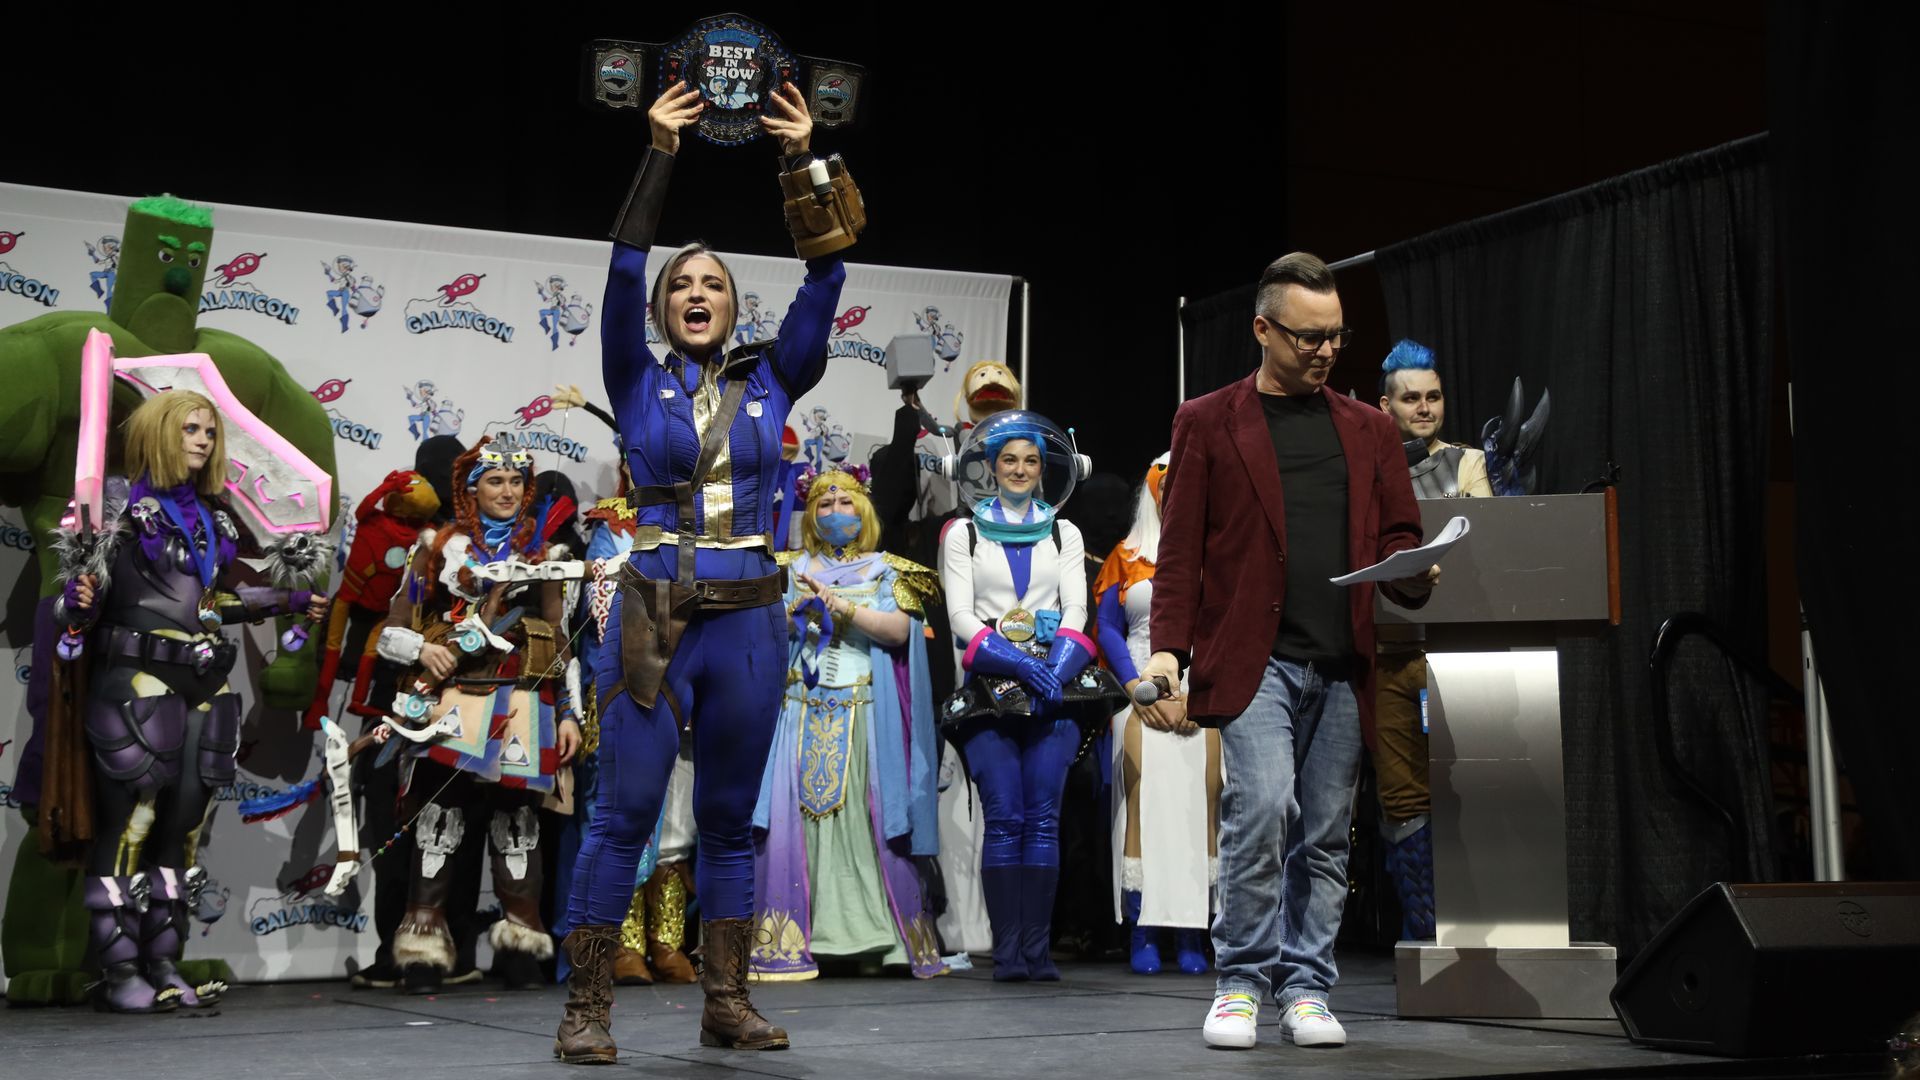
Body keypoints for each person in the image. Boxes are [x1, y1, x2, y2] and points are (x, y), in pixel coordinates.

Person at [555, 76, 862, 1063]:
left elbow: (826, 278)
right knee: (625, 813)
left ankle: (726, 1002)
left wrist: (804, 158)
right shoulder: (631, 375)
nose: (696, 292)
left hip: (751, 620)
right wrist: (659, 151)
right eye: (681, 285)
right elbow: (621, 265)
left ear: (734, 307)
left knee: (730, 821)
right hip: (650, 612)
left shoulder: (775, 376)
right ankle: (588, 1010)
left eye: (714, 283)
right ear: (660, 311)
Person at [1139, 252, 1437, 1050]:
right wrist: (1168, 652)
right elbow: (1179, 555)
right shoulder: (1207, 421)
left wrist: (1413, 570)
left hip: (1343, 661)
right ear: (1263, 329)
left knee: (1327, 834)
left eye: (1336, 336)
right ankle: (1241, 980)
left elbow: (1401, 532)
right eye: (1308, 337)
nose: (1325, 351)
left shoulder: (1370, 429)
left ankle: (1307, 987)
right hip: (1256, 659)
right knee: (1262, 810)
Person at [55, 390, 329, 1012]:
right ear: (157, 433)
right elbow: (72, 608)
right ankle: (120, 970)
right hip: (135, 687)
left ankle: (163, 961)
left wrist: (285, 602)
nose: (203, 441)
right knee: (132, 825)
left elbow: (207, 606)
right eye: (189, 429)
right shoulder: (116, 514)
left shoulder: (213, 520)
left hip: (205, 687)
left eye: (209, 430)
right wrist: (76, 606)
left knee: (181, 833)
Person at [375, 438, 582, 994]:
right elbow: (392, 626)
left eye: (517, 482)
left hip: (521, 701)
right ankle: (421, 952)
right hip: (453, 698)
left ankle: (520, 946)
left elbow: (561, 643)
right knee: (439, 823)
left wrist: (569, 714)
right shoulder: (437, 548)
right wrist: (421, 650)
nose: (508, 492)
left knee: (517, 825)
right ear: (470, 490)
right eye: (495, 482)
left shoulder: (547, 557)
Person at [940, 410, 1123, 983]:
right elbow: (961, 617)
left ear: (1045, 469)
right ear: (990, 468)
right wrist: (1019, 661)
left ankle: (1037, 952)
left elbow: (1076, 609)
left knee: (1043, 817)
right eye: (1009, 460)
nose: (1020, 469)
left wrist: (1056, 667)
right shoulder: (961, 532)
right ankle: (1008, 952)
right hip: (991, 685)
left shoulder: (1063, 532)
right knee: (1004, 816)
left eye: (1031, 460)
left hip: (1054, 685)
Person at [750, 467, 944, 980]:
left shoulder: (889, 571)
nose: (837, 513)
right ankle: (799, 940)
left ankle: (878, 939)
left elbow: (901, 631)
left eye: (847, 504)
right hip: (799, 710)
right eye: (825, 505)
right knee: (795, 826)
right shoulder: (787, 569)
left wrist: (840, 607)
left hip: (865, 715)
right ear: (810, 516)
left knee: (867, 820)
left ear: (865, 511)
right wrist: (793, 611)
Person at [1373, 339, 1493, 942]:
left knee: (1472, 787)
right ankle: (1425, 931)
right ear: (1385, 404)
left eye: (1434, 396)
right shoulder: (1368, 466)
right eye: (1411, 398)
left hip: (1459, 648)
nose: (1424, 408)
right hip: (1391, 651)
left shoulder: (1468, 462)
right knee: (1403, 798)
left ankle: (1479, 929)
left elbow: (1487, 539)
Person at [1094, 453, 1220, 976]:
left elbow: (1226, 632)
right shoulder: (1125, 556)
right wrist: (1138, 692)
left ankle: (1194, 933)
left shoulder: (1220, 558)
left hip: (1205, 700)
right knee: (1144, 800)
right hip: (1138, 697)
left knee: (1202, 808)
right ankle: (1143, 931)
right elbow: (1107, 631)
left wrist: (1201, 695)